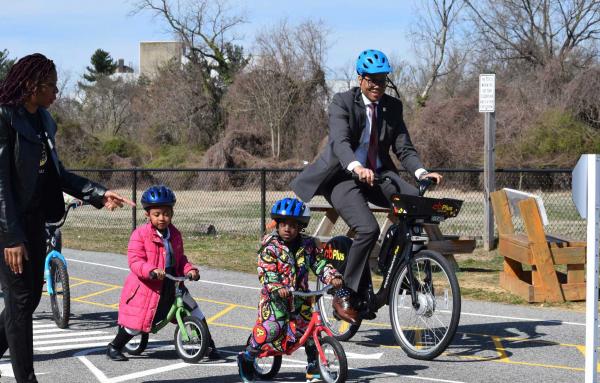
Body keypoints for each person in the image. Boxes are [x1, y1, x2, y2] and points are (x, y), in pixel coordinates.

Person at [0, 53, 135, 383]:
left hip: (33, 219)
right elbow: (0, 184)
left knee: (30, 299)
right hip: (8, 223)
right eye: (52, 86)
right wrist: (11, 237)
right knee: (19, 300)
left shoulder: (42, 121)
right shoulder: (4, 118)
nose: (57, 93)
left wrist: (98, 194)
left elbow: (56, 174)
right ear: (32, 86)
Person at [290, 49, 443, 324]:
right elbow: (340, 142)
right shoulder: (342, 102)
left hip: (377, 174)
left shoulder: (392, 107)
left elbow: (403, 147)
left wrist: (422, 172)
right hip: (341, 176)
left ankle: (396, 264)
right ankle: (345, 292)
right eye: (371, 80)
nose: (377, 86)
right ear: (360, 78)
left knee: (417, 204)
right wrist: (356, 167)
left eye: (382, 80)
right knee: (368, 228)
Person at [106, 185, 221, 361]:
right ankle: (114, 347)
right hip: (148, 286)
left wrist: (190, 270)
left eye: (166, 213)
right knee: (137, 323)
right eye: (157, 214)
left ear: (172, 214)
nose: (162, 218)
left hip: (172, 282)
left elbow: (180, 259)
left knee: (195, 311)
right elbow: (135, 261)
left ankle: (208, 346)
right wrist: (150, 271)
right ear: (147, 215)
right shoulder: (140, 234)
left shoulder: (174, 234)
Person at [237, 197, 344, 383]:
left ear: (300, 226)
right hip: (275, 300)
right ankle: (247, 358)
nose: (288, 229)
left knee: (310, 332)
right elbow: (266, 271)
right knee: (270, 330)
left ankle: (313, 366)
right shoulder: (270, 248)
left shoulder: (308, 245)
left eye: (293, 225)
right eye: (284, 224)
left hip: (301, 298)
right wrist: (277, 287)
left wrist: (331, 276)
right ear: (277, 225)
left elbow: (319, 264)